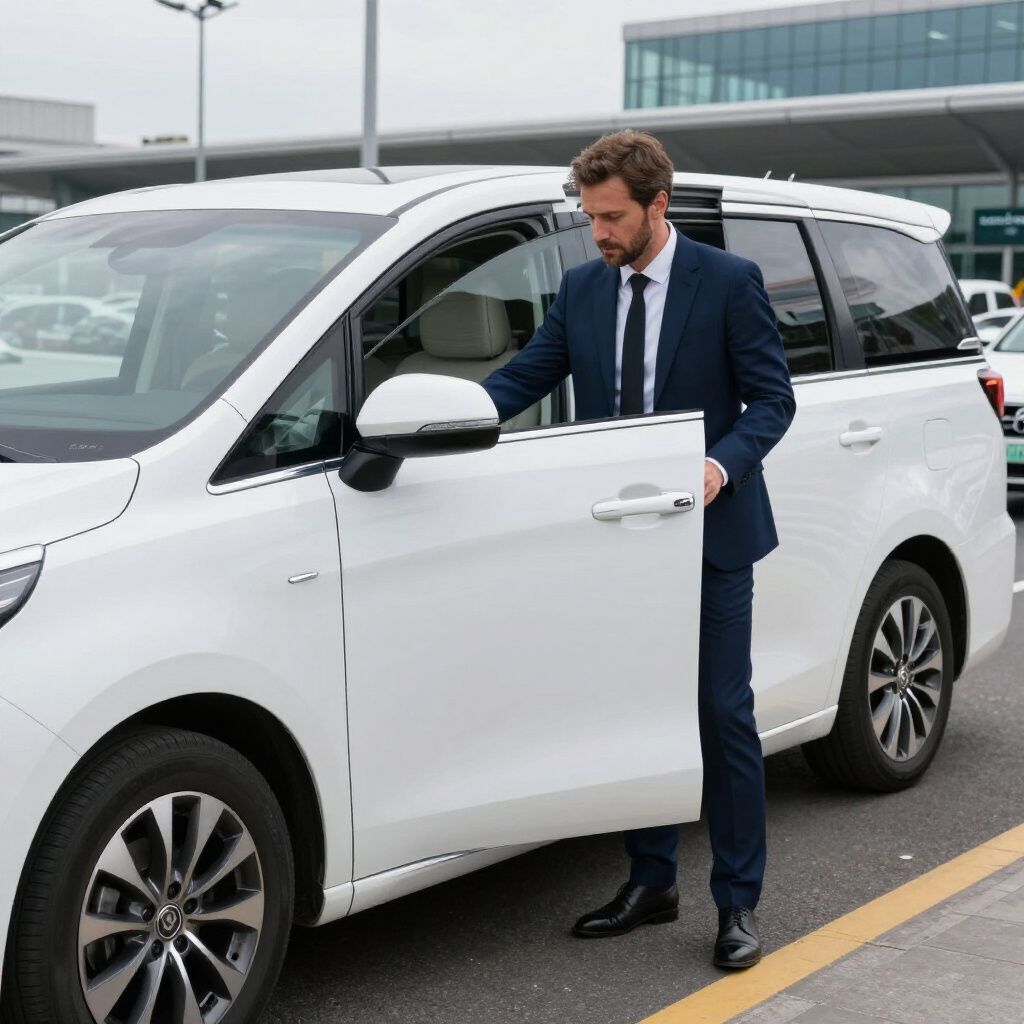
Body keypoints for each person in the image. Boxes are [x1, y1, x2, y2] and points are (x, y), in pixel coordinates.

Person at [481, 130, 796, 969]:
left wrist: (720, 468)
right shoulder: (584, 288)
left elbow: (772, 400)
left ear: (659, 204)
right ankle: (652, 882)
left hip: (710, 535)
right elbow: (522, 380)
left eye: (612, 216)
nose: (599, 233)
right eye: (590, 217)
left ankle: (737, 905)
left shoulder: (728, 282)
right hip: (617, 544)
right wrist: (444, 420)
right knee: (628, 708)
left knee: (721, 715)